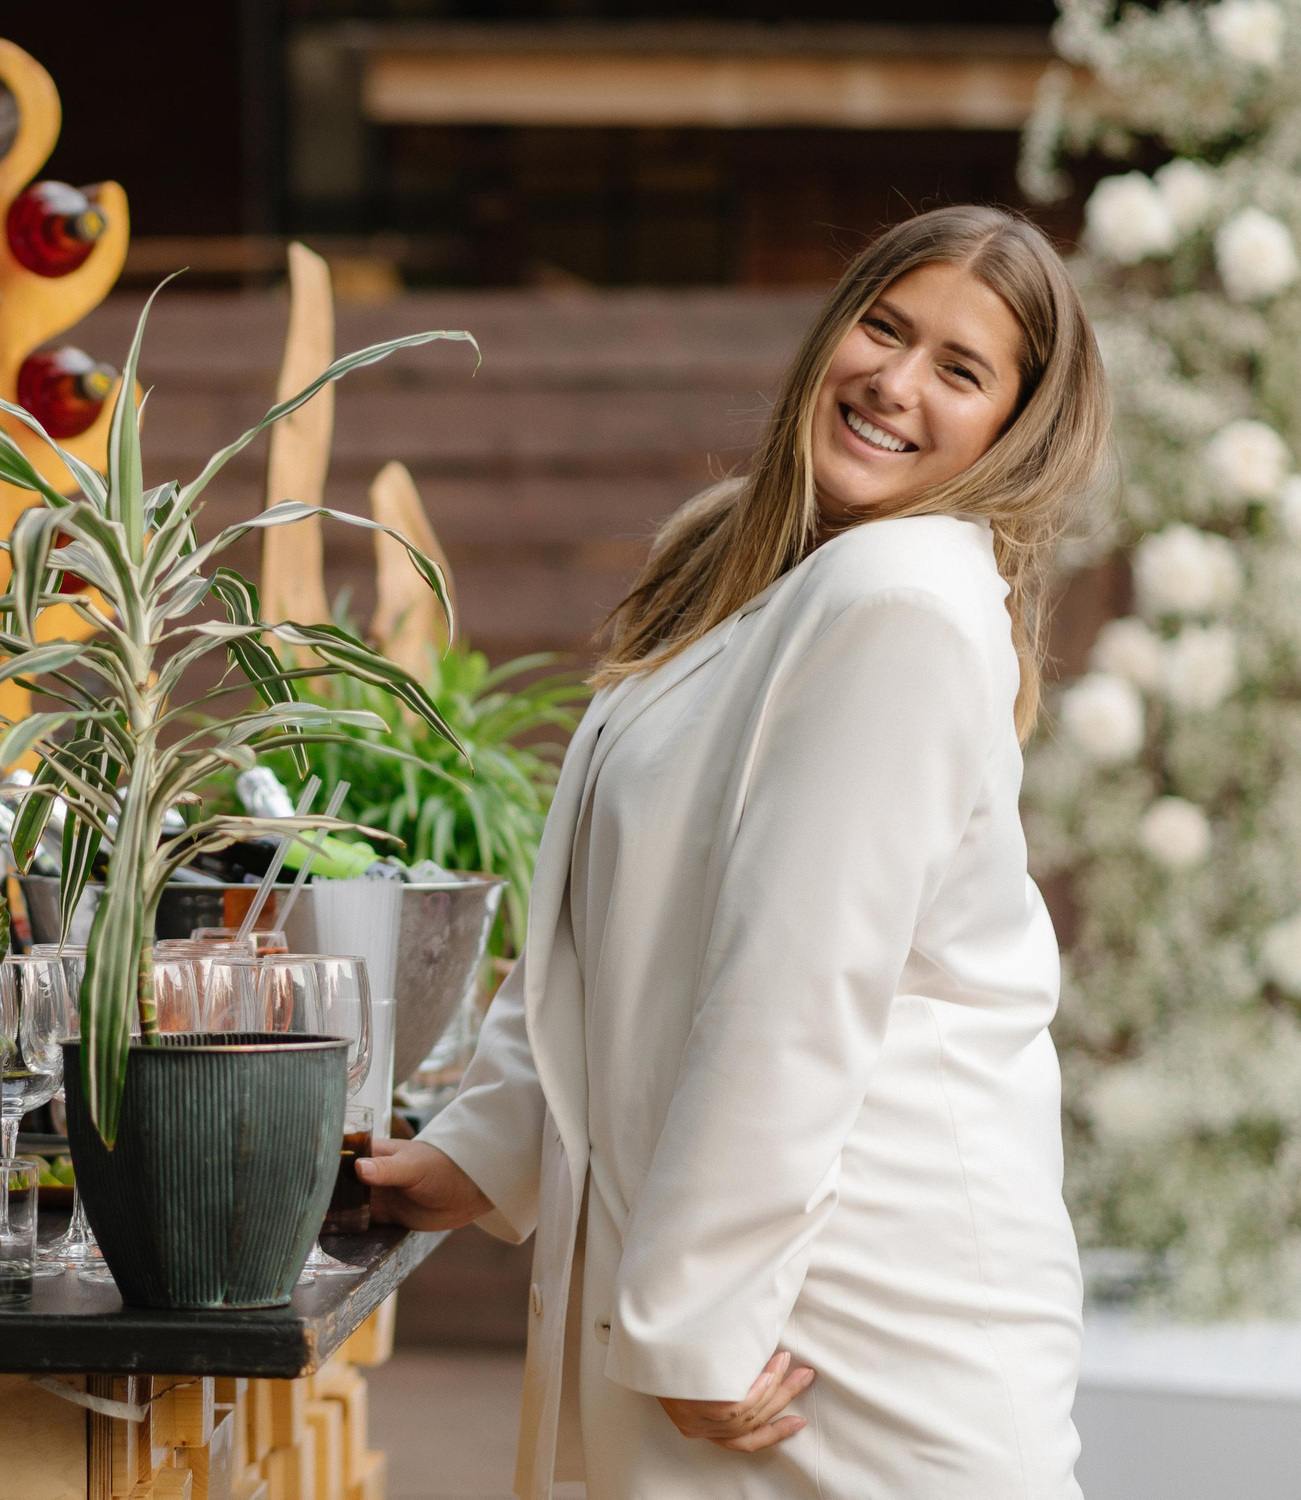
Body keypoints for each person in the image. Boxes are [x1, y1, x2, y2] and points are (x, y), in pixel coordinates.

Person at [361, 205, 1109, 1498]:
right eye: (884, 327)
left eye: (959, 368)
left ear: (1014, 429)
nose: (896, 381)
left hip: (849, 1315)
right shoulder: (746, 567)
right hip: (743, 1276)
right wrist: (482, 1149)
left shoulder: (899, 604)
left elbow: (796, 984)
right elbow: (622, 919)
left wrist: (699, 1321)